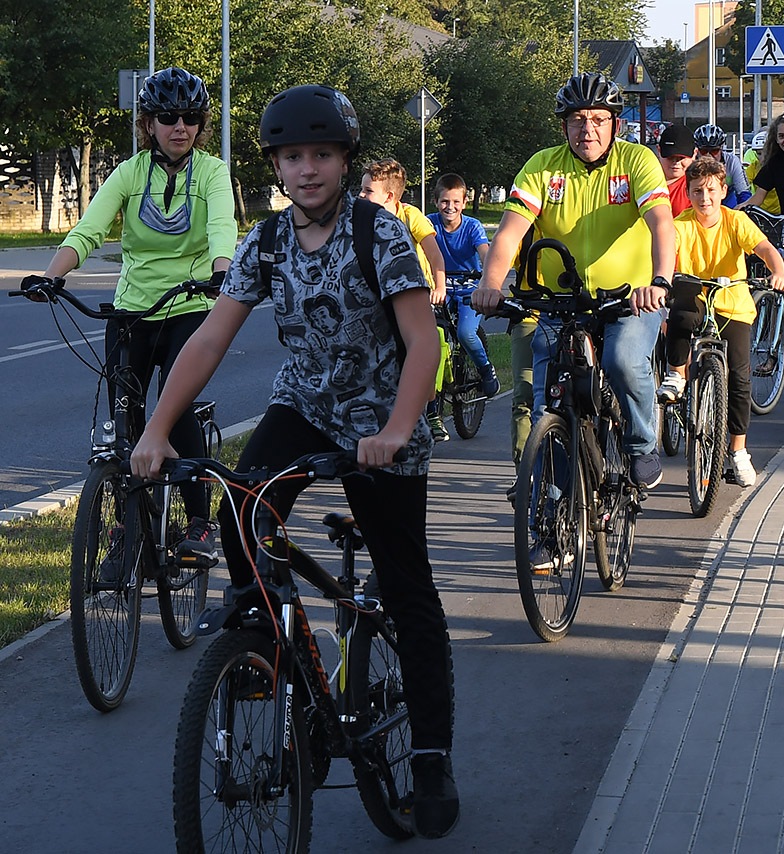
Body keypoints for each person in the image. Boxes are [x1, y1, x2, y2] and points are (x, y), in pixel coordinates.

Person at [129, 84, 459, 839]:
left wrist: (397, 429)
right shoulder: (268, 241)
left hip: (382, 420)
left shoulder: (380, 235)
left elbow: (423, 341)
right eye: (292, 157)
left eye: (322, 155)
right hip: (304, 404)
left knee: (406, 585)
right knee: (242, 512)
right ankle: (269, 665)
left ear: (344, 161)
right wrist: (157, 430)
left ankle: (432, 755)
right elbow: (209, 338)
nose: (307, 169)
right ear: (275, 167)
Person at [31, 66, 234, 563]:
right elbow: (88, 231)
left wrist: (221, 272)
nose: (180, 126)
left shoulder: (211, 172)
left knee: (174, 406)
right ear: (148, 124)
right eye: (168, 117)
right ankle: (129, 527)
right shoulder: (130, 173)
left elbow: (221, 228)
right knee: (128, 418)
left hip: (190, 304)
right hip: (132, 311)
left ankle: (200, 523)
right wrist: (51, 276)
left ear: (201, 124)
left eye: (190, 117)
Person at [472, 72, 675, 490]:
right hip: (561, 301)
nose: (588, 129)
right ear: (564, 125)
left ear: (615, 124)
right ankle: (557, 497)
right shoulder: (543, 166)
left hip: (630, 298)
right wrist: (489, 285)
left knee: (622, 361)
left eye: (598, 119)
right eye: (577, 119)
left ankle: (641, 444)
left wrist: (659, 282)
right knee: (547, 398)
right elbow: (508, 233)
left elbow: (661, 223)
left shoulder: (636, 161)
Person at [655, 157, 784, 487]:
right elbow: (665, 254)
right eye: (697, 191)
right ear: (688, 193)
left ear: (723, 191)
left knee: (740, 377)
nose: (705, 198)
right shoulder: (681, 224)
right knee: (680, 314)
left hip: (732, 302)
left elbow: (764, 248)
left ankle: (739, 450)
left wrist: (778, 272)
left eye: (711, 190)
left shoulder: (735, 221)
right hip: (696, 296)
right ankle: (676, 374)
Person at [360, 159, 451, 439]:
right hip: (380, 296)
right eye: (360, 189)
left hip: (415, 294)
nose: (360, 195)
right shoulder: (361, 219)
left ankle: (431, 411)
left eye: (367, 191)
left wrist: (439, 286)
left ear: (389, 197)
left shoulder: (411, 217)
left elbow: (434, 255)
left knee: (424, 348)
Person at [427, 172, 501, 398]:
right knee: (427, 333)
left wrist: (488, 278)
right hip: (440, 289)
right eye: (444, 201)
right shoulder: (429, 223)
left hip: (468, 289)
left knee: (465, 333)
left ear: (465, 203)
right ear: (436, 201)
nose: (450, 207)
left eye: (456, 202)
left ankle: (485, 369)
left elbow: (485, 254)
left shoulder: (472, 226)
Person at [693, 124, 752, 208]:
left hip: (727, 199)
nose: (709, 155)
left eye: (714, 151)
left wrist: (743, 210)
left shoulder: (732, 161)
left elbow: (743, 192)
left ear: (721, 149)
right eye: (704, 151)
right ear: (697, 150)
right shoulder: (690, 163)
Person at [657, 123, 695, 216]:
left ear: (694, 154)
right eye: (670, 157)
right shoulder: (645, 181)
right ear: (659, 151)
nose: (676, 162)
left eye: (682, 158)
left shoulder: (697, 185)